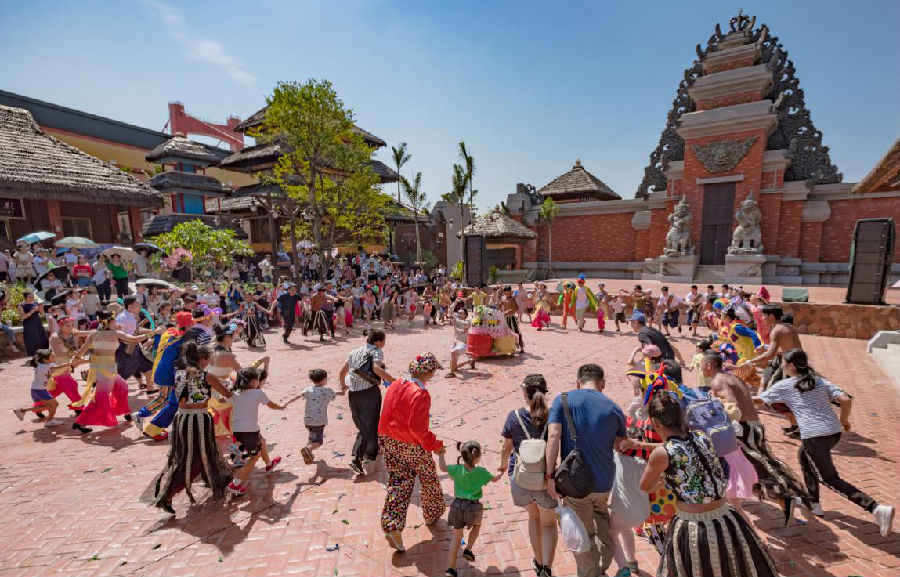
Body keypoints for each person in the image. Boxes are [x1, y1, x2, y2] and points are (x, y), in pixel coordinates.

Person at [757, 349, 895, 536]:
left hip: (815, 436)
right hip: (833, 432)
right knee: (804, 456)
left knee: (829, 478)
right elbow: (845, 399)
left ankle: (876, 508)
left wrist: (741, 395)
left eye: (783, 363)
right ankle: (813, 502)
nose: (781, 366)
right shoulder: (818, 380)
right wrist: (844, 420)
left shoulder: (786, 385)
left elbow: (758, 401)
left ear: (791, 365)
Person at [639, 392, 779, 576]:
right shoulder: (702, 436)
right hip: (726, 518)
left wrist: (663, 481)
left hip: (694, 526)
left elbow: (645, 486)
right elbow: (682, 448)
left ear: (656, 423)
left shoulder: (662, 454)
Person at [703, 352, 808, 526]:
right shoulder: (733, 378)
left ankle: (785, 498)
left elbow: (732, 406)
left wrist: (714, 408)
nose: (700, 368)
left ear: (708, 365)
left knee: (756, 467)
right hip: (755, 426)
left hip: (743, 428)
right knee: (760, 464)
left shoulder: (717, 381)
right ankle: (787, 497)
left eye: (702, 364)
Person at [545, 364, 626, 577]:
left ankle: (591, 573)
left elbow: (553, 436)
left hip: (575, 482)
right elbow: (620, 446)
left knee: (583, 533)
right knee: (602, 524)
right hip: (604, 481)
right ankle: (602, 566)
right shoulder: (614, 408)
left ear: (578, 381)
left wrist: (549, 476)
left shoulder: (563, 400)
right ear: (603, 384)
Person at [147, 343, 234, 514]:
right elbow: (227, 393)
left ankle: (212, 480)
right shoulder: (207, 376)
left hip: (182, 418)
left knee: (188, 455)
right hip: (199, 419)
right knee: (198, 455)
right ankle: (168, 494)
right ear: (202, 359)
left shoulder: (179, 374)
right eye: (208, 359)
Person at [378, 352, 445, 553]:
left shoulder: (396, 383)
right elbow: (417, 429)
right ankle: (432, 513)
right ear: (429, 372)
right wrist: (435, 445)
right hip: (410, 444)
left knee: (399, 481)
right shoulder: (420, 393)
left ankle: (392, 525)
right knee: (428, 478)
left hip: (388, 438)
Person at [498, 374, 558, 577]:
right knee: (548, 523)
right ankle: (547, 568)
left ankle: (538, 562)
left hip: (521, 478)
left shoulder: (513, 416)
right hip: (545, 480)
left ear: (524, 393)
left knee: (533, 517)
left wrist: (502, 466)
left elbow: (506, 448)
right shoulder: (553, 417)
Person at [72, 311, 149, 433]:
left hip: (106, 369)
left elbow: (82, 350)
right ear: (110, 321)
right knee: (100, 398)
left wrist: (75, 359)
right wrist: (153, 333)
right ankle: (80, 422)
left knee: (122, 386)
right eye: (114, 320)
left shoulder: (94, 334)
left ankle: (126, 412)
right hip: (105, 371)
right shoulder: (114, 333)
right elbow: (134, 339)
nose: (116, 322)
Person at [439, 441, 501, 577]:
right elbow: (495, 479)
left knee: (456, 538)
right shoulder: (481, 472)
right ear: (477, 457)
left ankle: (451, 569)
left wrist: (441, 454)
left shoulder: (457, 469)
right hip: (473, 506)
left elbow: (442, 468)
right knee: (477, 525)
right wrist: (500, 471)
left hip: (457, 506)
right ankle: (468, 549)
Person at [340, 330, 394, 475]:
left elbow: (342, 372)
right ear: (377, 342)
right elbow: (376, 369)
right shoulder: (376, 351)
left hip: (353, 394)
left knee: (362, 425)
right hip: (369, 393)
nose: (384, 344)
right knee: (370, 424)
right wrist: (393, 380)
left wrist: (343, 386)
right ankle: (358, 457)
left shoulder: (354, 351)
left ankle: (370, 452)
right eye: (383, 341)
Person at [227, 367, 287, 496]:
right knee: (254, 456)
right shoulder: (257, 393)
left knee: (262, 441)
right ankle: (235, 484)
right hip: (250, 430)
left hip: (236, 430)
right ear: (254, 381)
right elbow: (271, 405)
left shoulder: (234, 393)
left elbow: (225, 401)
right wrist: (281, 407)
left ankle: (269, 464)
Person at [12, 349, 83, 427]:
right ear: (45, 359)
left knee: (49, 406)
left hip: (35, 390)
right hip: (40, 391)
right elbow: (59, 367)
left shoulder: (40, 365)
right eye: (52, 356)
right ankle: (50, 421)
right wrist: (70, 363)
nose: (54, 357)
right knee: (55, 404)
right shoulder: (47, 366)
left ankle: (22, 411)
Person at [300, 368, 347, 464]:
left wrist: (285, 404)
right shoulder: (328, 390)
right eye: (326, 378)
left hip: (308, 420)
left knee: (312, 437)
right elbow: (341, 393)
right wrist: (344, 387)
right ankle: (308, 449)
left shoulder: (308, 390)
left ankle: (309, 454)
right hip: (319, 421)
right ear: (322, 380)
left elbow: (297, 396)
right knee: (318, 441)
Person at [18, 291, 48, 356]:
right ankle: (34, 355)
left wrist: (41, 309)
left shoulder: (36, 303)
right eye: (30, 297)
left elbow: (42, 315)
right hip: (29, 324)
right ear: (25, 297)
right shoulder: (21, 305)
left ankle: (44, 354)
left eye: (32, 296)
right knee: (32, 339)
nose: (32, 298)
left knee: (42, 337)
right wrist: (32, 311)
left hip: (38, 323)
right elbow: (23, 317)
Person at [500, 286, 524, 354]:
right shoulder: (503, 298)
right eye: (507, 291)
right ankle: (509, 348)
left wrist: (509, 311)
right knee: (506, 333)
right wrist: (499, 305)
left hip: (512, 318)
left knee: (516, 332)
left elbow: (516, 308)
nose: (509, 293)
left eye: (509, 291)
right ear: (504, 292)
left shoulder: (512, 299)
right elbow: (500, 306)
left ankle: (521, 347)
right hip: (505, 318)